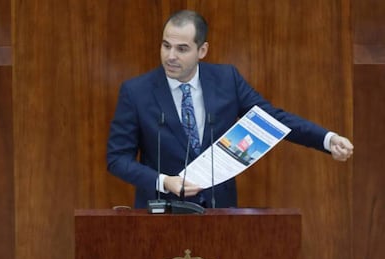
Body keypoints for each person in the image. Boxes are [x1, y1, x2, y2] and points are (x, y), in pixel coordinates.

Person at [107, 10, 353, 209]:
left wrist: (326, 139)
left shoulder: (227, 80)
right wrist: (163, 181)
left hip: (219, 212)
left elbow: (273, 120)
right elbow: (117, 159)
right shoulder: (136, 92)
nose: (171, 56)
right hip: (160, 212)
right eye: (166, 46)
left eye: (182, 49)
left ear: (202, 50)